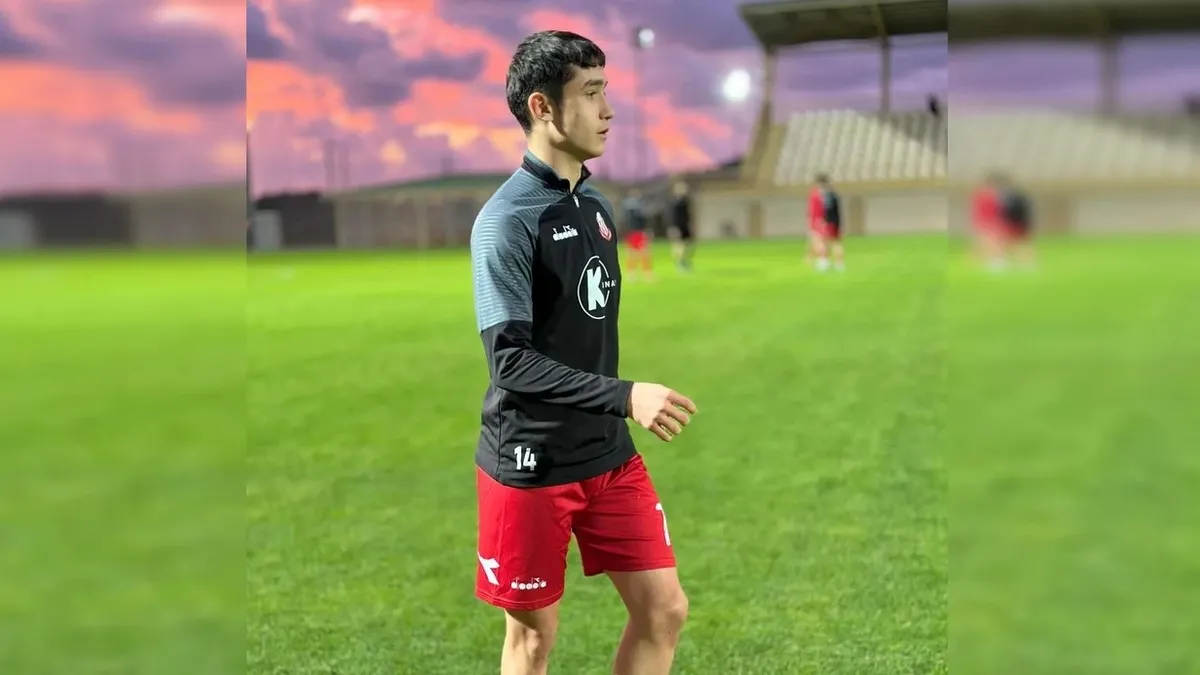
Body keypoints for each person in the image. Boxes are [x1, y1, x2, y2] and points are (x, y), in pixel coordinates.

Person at [469, 30, 698, 675]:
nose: (608, 110)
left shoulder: (595, 205)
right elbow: (509, 361)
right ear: (542, 107)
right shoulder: (506, 221)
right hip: (533, 460)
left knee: (663, 611)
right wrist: (625, 395)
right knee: (533, 641)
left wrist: (613, 407)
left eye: (606, 91)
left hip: (607, 453)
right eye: (591, 93)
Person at [807, 173, 845, 272]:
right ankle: (839, 264)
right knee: (836, 243)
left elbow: (816, 211)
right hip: (835, 222)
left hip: (823, 221)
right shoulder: (833, 193)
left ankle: (823, 262)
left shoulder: (818, 194)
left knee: (821, 241)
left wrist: (820, 221)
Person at [622, 189, 653, 280]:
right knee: (636, 254)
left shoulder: (631, 208)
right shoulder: (634, 208)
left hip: (636, 232)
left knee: (641, 253)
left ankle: (640, 273)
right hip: (634, 232)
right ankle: (636, 273)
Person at [667, 180, 695, 272]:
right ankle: (679, 263)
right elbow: (672, 217)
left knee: (689, 245)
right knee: (679, 245)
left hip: (685, 225)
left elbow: (688, 214)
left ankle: (684, 260)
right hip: (677, 226)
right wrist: (673, 228)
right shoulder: (674, 203)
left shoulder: (686, 201)